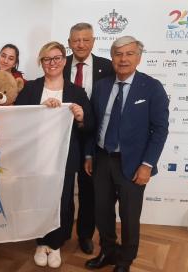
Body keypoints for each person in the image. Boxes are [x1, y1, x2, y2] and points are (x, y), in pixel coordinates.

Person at [84, 36, 169, 272]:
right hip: (102, 159)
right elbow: (94, 123)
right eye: (118, 54)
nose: (123, 59)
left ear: (138, 57)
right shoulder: (101, 86)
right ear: (112, 57)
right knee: (102, 212)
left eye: (129, 54)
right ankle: (108, 252)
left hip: (133, 164)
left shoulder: (152, 87)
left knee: (130, 217)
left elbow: (160, 129)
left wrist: (147, 164)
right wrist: (89, 155)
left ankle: (125, 261)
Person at [15, 41, 93, 268]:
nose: (52, 63)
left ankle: (56, 243)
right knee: (38, 198)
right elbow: (18, 121)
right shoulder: (30, 88)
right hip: (36, 157)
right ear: (41, 62)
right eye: (47, 59)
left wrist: (80, 117)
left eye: (57, 58)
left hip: (65, 158)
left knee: (64, 200)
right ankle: (41, 242)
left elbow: (90, 125)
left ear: (64, 60)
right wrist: (41, 112)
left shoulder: (77, 92)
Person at [64, 22, 114, 255]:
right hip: (62, 135)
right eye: (76, 40)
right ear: (69, 43)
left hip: (94, 134)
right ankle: (62, 232)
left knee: (88, 189)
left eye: (86, 39)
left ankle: (85, 235)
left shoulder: (107, 67)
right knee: (61, 188)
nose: (81, 44)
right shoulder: (58, 63)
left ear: (94, 41)